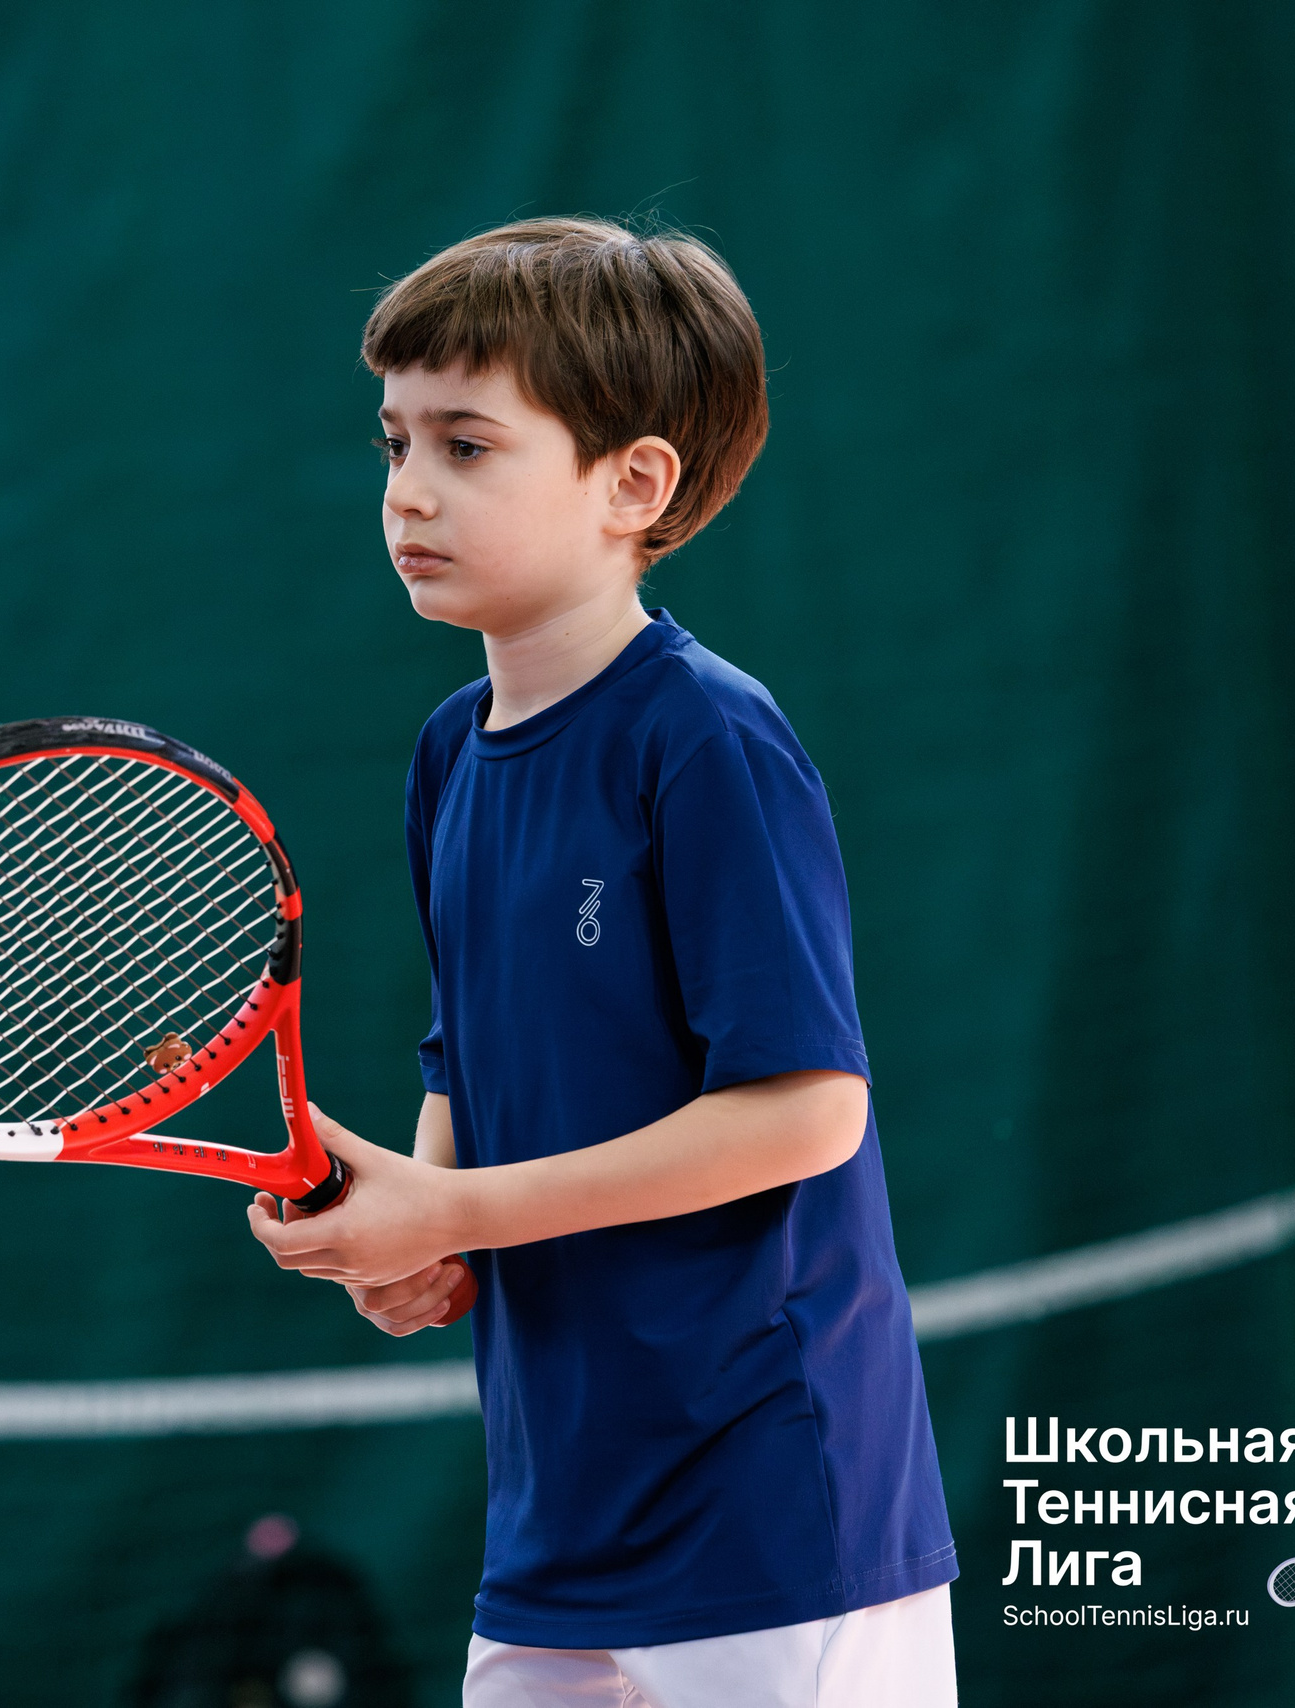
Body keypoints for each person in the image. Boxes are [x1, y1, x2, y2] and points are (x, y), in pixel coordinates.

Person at [246, 217, 958, 1707]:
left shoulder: (705, 736)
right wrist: (427, 1233)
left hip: (775, 1514)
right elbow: (474, 1046)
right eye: (393, 443)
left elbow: (805, 1111)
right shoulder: (451, 753)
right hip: (557, 1522)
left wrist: (465, 1205)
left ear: (634, 483)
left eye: (467, 444)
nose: (407, 492)